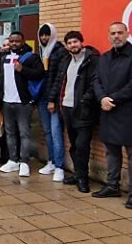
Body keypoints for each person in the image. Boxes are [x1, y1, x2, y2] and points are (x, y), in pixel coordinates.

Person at [92, 22, 132, 209]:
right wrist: (101, 99)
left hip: (129, 113)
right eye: (113, 33)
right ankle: (112, 185)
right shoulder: (104, 58)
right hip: (108, 111)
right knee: (111, 152)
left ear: (127, 34)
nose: (116, 36)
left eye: (120, 33)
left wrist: (111, 99)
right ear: (108, 36)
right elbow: (96, 81)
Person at [48, 31, 100, 192]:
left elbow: (95, 83)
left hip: (84, 109)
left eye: (75, 42)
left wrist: (85, 100)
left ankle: (83, 179)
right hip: (67, 108)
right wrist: (52, 99)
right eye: (69, 43)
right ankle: (78, 174)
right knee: (74, 145)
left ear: (81, 42)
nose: (73, 45)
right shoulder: (66, 60)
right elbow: (58, 81)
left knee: (82, 145)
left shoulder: (92, 60)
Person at [0, 31, 45, 177]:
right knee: (10, 133)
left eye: (17, 41)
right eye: (11, 41)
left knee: (24, 133)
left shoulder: (31, 57)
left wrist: (24, 70)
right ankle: (13, 160)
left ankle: (24, 162)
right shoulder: (3, 57)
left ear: (23, 42)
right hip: (6, 101)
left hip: (23, 102)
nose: (14, 43)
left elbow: (40, 73)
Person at [36, 23, 69, 180]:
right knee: (48, 132)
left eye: (47, 34)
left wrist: (52, 100)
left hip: (54, 100)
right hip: (42, 98)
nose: (44, 37)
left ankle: (59, 166)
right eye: (42, 35)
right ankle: (51, 161)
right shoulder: (42, 52)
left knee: (56, 133)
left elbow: (59, 79)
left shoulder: (60, 52)